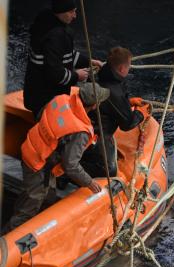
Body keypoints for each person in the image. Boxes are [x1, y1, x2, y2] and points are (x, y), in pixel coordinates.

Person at [3, 82, 110, 233]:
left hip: (31, 149)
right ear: (94, 105)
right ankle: (6, 243)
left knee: (49, 198)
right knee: (26, 211)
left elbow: (41, 116)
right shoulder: (80, 132)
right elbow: (71, 166)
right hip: (38, 166)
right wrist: (89, 182)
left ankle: (44, 226)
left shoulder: (61, 99)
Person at [23, 0, 103, 119]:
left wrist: (89, 61)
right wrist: (77, 76)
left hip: (35, 94)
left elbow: (64, 55)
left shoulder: (44, 24)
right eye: (71, 12)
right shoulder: (55, 36)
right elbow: (55, 74)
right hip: (46, 99)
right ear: (61, 12)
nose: (75, 16)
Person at [81, 46, 150, 178]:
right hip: (96, 132)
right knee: (108, 170)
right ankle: (67, 172)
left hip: (88, 122)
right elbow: (127, 124)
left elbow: (108, 103)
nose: (129, 68)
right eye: (128, 66)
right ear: (121, 69)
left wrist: (128, 102)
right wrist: (142, 113)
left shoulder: (99, 75)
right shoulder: (114, 91)